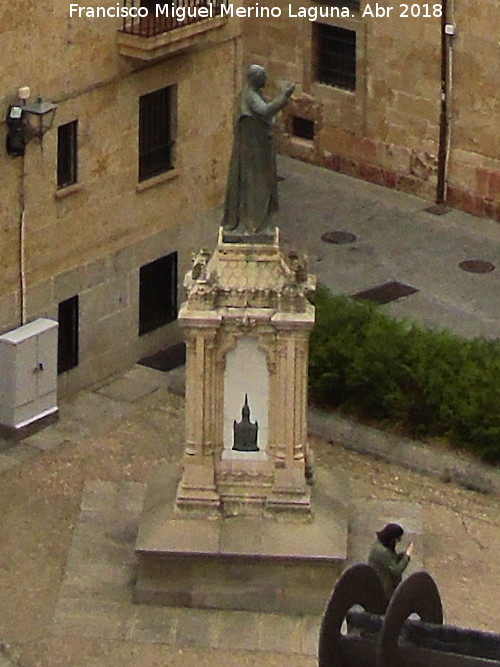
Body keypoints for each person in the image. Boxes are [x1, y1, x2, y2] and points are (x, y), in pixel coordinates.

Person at [223, 64, 295, 237]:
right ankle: (255, 224)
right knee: (258, 184)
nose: (266, 80)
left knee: (259, 184)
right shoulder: (250, 96)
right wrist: (284, 96)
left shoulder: (249, 94)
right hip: (254, 151)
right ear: (256, 79)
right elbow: (265, 110)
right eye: (263, 77)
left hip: (257, 147)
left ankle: (257, 222)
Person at [367, 523, 414, 602]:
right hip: (382, 591)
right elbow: (396, 570)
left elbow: (391, 559)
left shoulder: (383, 546)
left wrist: (402, 555)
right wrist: (407, 556)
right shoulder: (381, 551)